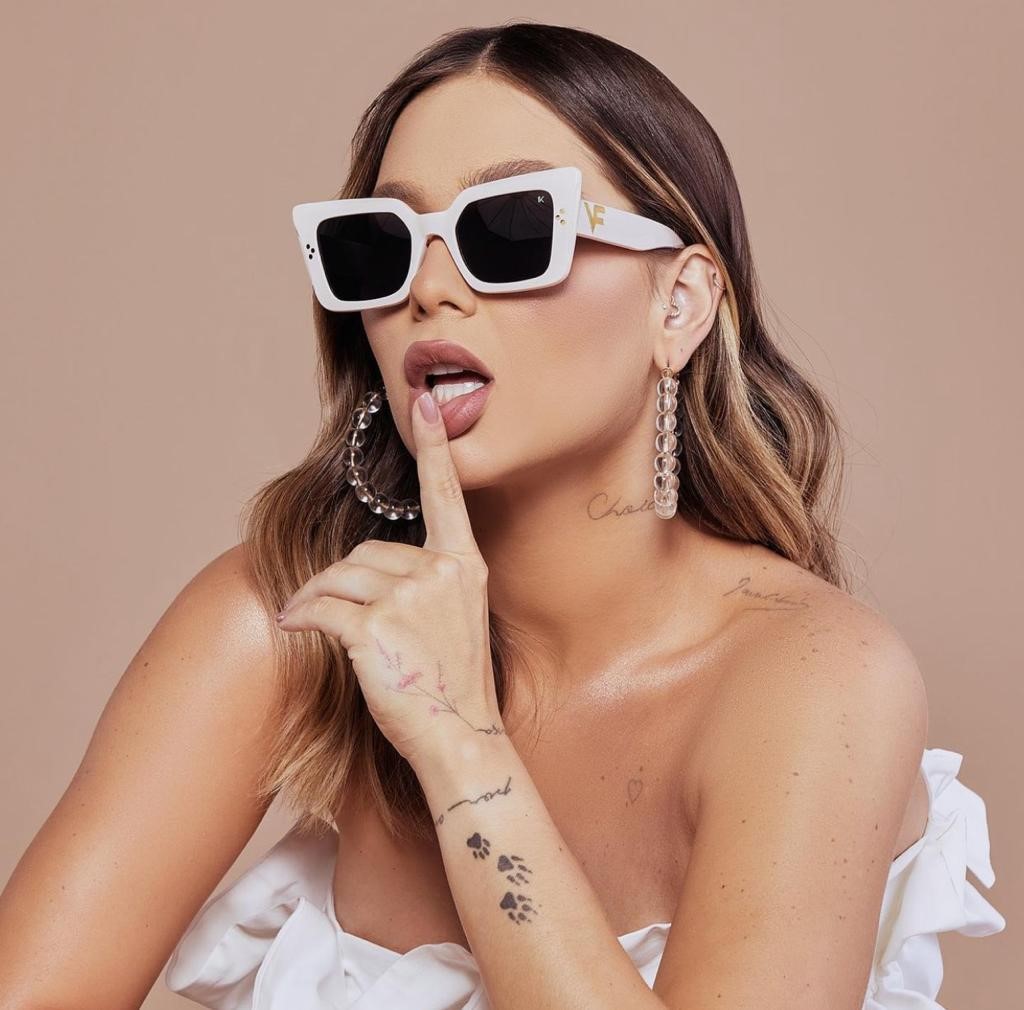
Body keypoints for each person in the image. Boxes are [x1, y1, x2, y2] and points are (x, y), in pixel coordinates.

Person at [0, 21, 1005, 1010]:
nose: (430, 289)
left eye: (511, 230)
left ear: (679, 303)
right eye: (380, 246)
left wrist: (461, 741)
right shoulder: (291, 622)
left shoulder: (815, 679)